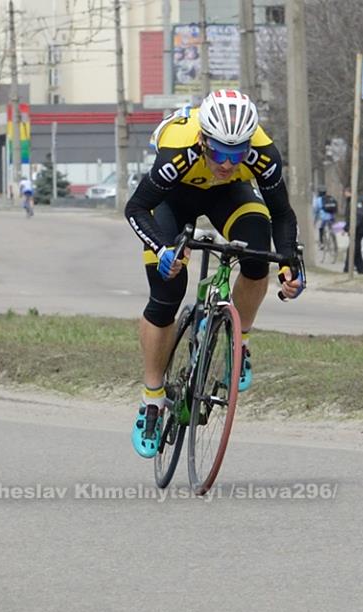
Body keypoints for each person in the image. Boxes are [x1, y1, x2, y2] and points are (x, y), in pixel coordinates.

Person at [124, 89, 302, 459]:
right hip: (173, 199)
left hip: (229, 195)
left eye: (237, 154)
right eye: (220, 152)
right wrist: (163, 248)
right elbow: (136, 208)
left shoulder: (262, 153)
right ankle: (152, 398)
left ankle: (240, 340)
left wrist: (289, 262)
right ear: (204, 139)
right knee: (168, 290)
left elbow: (283, 214)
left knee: (257, 256)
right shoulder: (179, 148)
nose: (227, 161)